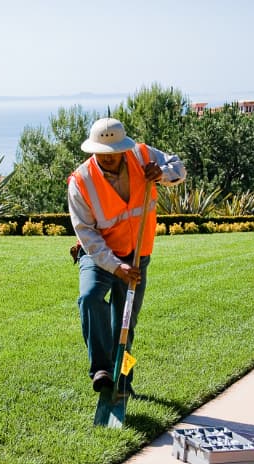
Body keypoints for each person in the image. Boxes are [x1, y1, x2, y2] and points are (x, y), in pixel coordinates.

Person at [67, 117, 186, 394]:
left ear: (124, 148)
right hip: (98, 256)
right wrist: (114, 266)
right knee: (89, 297)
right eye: (102, 153)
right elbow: (86, 233)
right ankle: (102, 369)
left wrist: (161, 174)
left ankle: (124, 383)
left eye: (114, 153)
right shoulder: (80, 181)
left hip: (137, 256)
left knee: (125, 325)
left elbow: (178, 168)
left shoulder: (143, 155)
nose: (108, 158)